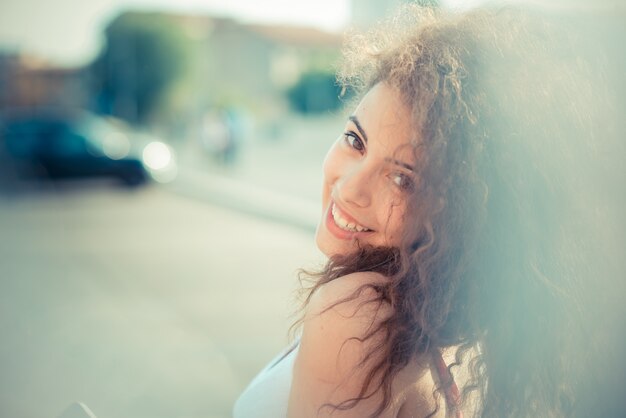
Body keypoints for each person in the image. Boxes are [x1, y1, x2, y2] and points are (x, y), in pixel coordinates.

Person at [235, 4, 618, 418]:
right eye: (354, 140)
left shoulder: (356, 316)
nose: (349, 188)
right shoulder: (447, 318)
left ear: (461, 210)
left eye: (402, 179)